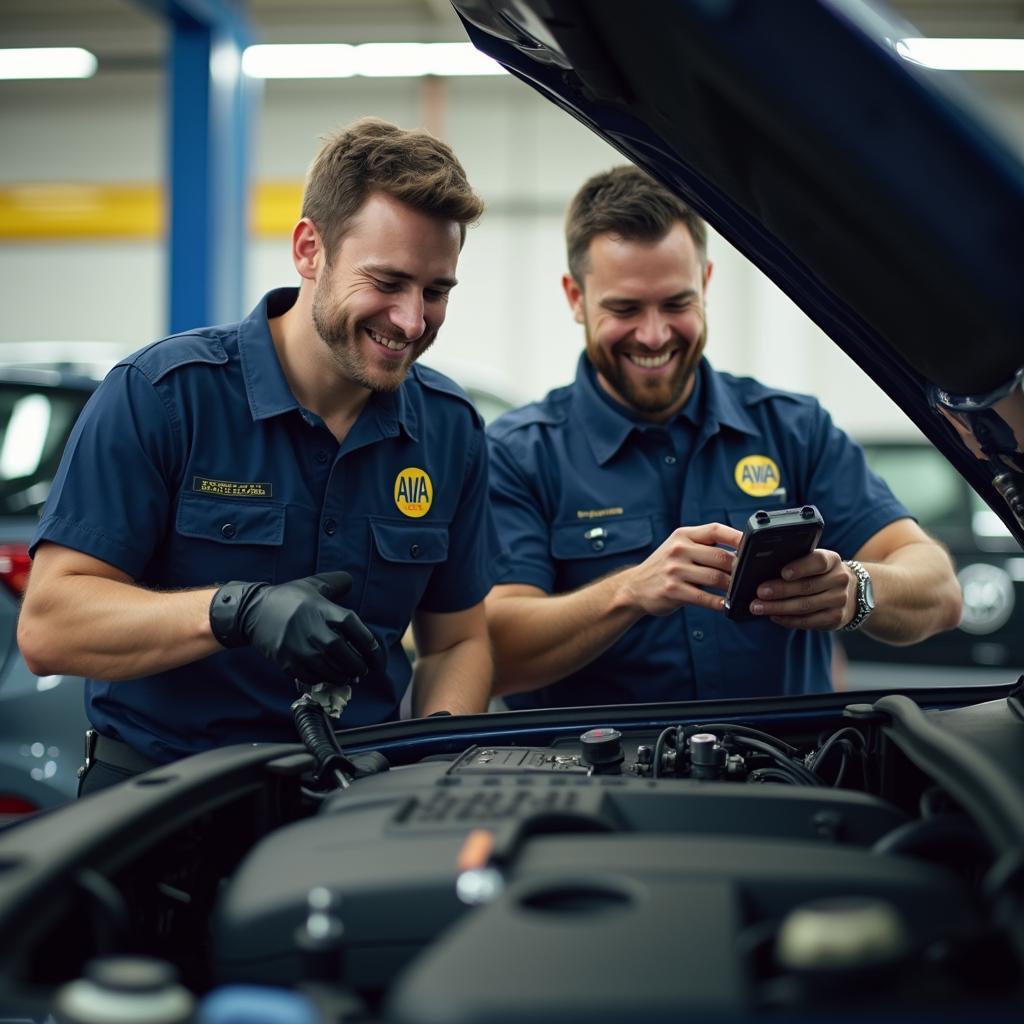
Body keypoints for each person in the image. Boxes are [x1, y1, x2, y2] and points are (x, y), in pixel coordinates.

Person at [18, 118, 501, 792]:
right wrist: (235, 611)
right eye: (387, 282)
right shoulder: (163, 397)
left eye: (436, 291)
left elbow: (457, 642)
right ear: (310, 249)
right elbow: (50, 627)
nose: (413, 320)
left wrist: (426, 774)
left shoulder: (449, 431)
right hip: (162, 811)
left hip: (353, 808)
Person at [485, 165, 962, 708]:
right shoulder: (518, 454)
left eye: (676, 303)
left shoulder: (793, 430)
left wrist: (857, 589)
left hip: (784, 777)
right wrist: (629, 592)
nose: (654, 334)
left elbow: (940, 592)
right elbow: (492, 652)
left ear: (705, 283)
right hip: (598, 788)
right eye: (624, 309)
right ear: (576, 297)